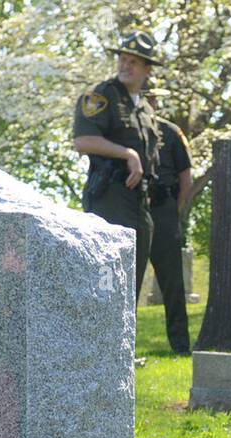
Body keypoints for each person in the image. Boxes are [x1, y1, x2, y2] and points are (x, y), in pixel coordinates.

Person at [72, 31, 163, 300]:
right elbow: (83, 141)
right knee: (107, 283)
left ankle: (125, 343)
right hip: (110, 198)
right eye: (122, 59)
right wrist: (128, 153)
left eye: (133, 62)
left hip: (140, 203)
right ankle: (101, 342)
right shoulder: (102, 96)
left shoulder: (145, 108)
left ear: (147, 69)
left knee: (131, 284)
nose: (125, 66)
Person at [147, 103, 194, 353]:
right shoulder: (121, 132)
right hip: (132, 208)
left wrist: (174, 211)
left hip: (163, 207)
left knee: (173, 282)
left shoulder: (171, 132)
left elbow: (186, 177)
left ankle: (180, 345)